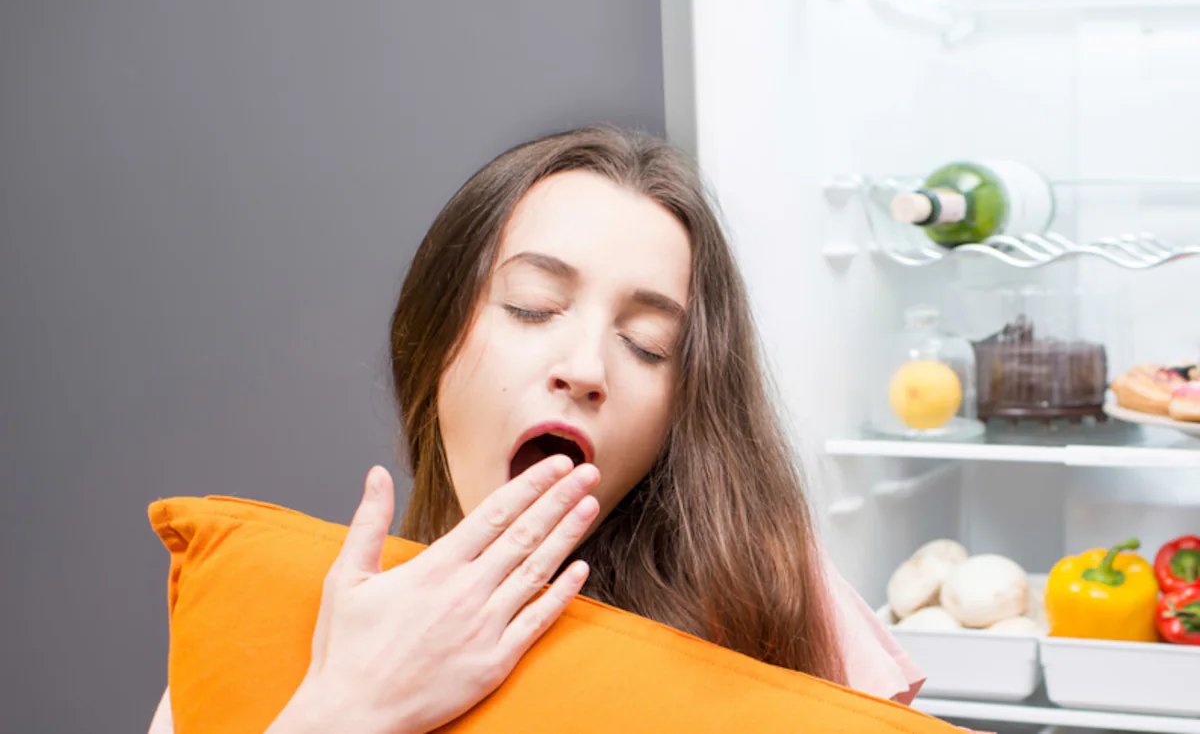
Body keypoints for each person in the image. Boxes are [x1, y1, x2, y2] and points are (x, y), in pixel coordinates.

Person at [147, 125, 921, 734]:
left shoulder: (775, 599)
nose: (586, 367)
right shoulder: (256, 623)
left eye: (647, 345)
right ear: (434, 340)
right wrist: (351, 707)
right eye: (532, 307)